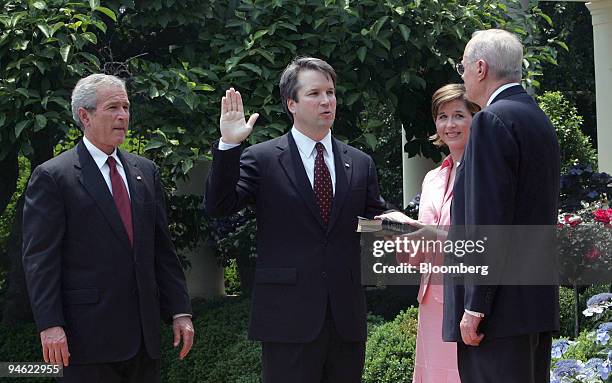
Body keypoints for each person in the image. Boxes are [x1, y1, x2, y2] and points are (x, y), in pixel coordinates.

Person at [204, 57, 389, 382]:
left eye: (330, 92)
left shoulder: (359, 162)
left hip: (346, 321)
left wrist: (413, 229)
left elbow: (374, 225)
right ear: (291, 103)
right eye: (314, 93)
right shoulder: (261, 159)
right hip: (286, 321)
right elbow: (219, 205)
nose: (326, 101)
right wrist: (229, 145)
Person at [22, 74, 194, 382]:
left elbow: (161, 249)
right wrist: (50, 324)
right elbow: (40, 260)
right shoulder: (53, 177)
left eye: (126, 107)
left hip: (143, 339)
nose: (123, 116)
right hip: (86, 340)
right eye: (113, 107)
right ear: (84, 116)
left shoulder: (145, 171)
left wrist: (180, 310)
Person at [443, 29, 560, 382]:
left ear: (480, 68)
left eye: (462, 67)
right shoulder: (537, 118)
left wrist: (476, 305)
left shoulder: (491, 121)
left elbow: (490, 221)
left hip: (498, 314)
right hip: (532, 306)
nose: (461, 76)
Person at [377, 84, 480, 383]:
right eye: (442, 116)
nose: (449, 125)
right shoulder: (432, 178)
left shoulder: (485, 172)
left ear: (476, 117)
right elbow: (419, 256)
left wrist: (428, 232)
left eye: (459, 115)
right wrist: (399, 232)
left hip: (468, 298)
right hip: (431, 300)